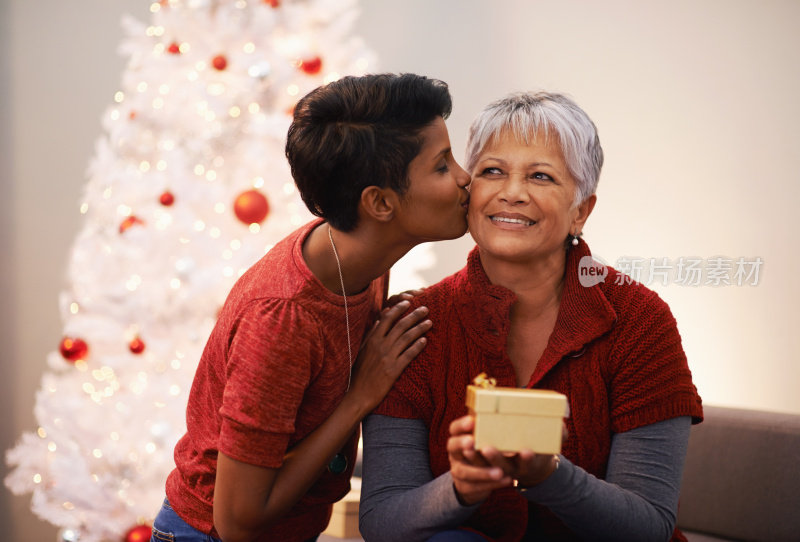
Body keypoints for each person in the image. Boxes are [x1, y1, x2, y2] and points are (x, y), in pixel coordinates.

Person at [359, 91, 703, 542]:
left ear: (581, 211)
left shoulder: (639, 320)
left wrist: (549, 476)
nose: (513, 193)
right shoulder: (415, 321)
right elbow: (382, 521)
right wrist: (460, 489)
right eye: (492, 171)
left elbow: (649, 524)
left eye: (541, 176)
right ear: (469, 192)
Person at [150, 73, 471, 542]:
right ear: (380, 203)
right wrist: (359, 395)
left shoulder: (361, 260)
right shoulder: (283, 319)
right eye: (442, 166)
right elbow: (237, 520)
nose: (465, 178)